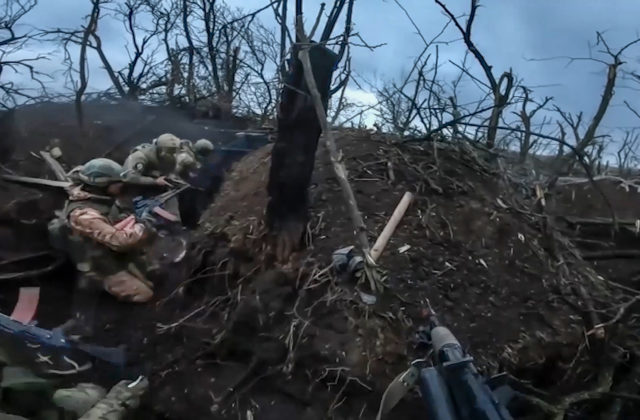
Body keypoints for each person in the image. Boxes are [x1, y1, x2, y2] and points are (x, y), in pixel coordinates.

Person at [49, 158, 154, 305]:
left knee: (149, 278)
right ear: (103, 185)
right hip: (97, 264)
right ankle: (102, 299)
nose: (121, 186)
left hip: (105, 249)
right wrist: (142, 225)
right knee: (144, 294)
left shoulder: (93, 193)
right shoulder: (84, 215)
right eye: (117, 183)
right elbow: (121, 242)